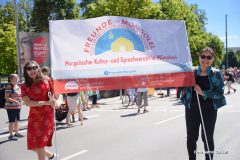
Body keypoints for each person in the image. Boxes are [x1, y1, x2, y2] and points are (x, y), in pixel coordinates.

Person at [181, 47, 226, 160]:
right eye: (203, 56)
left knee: (207, 138)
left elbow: (220, 94)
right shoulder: (191, 72)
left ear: (212, 59)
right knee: (191, 138)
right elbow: (183, 86)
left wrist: (203, 93)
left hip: (209, 110)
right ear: (199, 57)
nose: (205, 59)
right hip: (192, 109)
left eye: (209, 57)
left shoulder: (216, 74)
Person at [21, 61, 58, 160]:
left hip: (47, 115)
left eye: (34, 67)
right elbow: (28, 103)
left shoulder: (48, 80)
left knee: (40, 144)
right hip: (33, 117)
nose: (32, 70)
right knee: (33, 145)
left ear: (38, 68)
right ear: (26, 72)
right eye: (29, 69)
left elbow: (57, 95)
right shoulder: (24, 86)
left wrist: (57, 102)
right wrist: (46, 102)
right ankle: (52, 156)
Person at [4, 74, 23, 141]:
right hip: (11, 107)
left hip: (17, 106)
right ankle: (11, 135)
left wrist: (20, 100)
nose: (17, 78)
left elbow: (19, 95)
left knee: (16, 120)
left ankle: (16, 133)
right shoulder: (9, 86)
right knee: (12, 121)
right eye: (16, 78)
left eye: (17, 77)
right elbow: (6, 97)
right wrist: (15, 101)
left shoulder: (17, 86)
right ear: (11, 79)